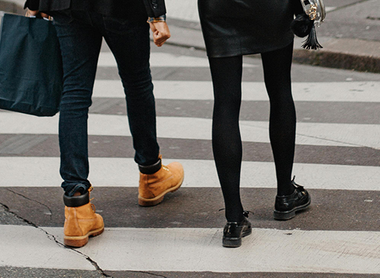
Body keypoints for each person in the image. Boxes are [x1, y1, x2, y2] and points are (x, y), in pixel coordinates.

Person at [24, 0, 184, 248]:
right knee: (137, 83)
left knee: (75, 92)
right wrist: (157, 14)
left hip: (67, 5)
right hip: (119, 8)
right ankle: (151, 176)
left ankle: (77, 206)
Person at [198, 0, 311, 248]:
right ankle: (285, 195)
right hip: (270, 7)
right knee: (280, 90)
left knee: (225, 103)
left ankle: (234, 219)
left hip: (218, 9)